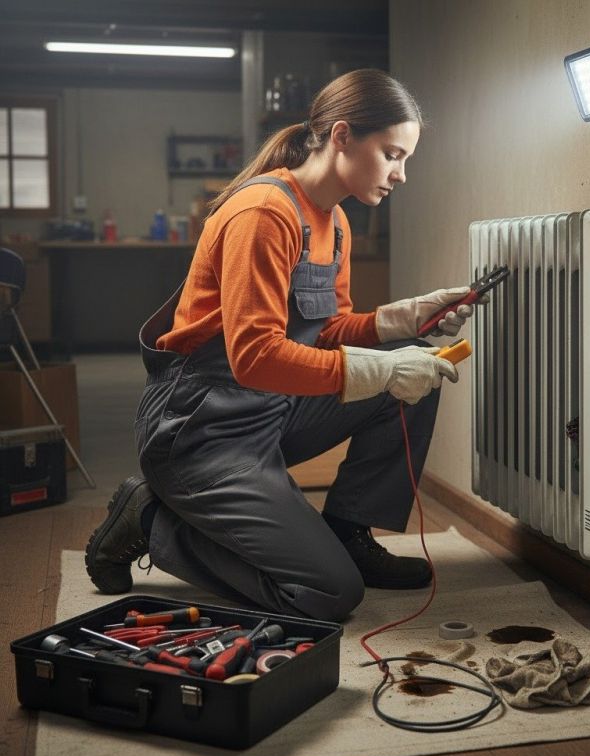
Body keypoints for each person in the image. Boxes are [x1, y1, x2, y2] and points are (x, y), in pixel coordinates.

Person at [84, 69, 486, 623]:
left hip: (272, 413)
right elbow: (254, 358)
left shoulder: (335, 222)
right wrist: (383, 370)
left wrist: (402, 319)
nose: (401, 174)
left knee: (418, 363)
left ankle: (347, 534)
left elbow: (328, 331)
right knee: (328, 594)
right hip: (201, 432)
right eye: (392, 155)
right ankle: (151, 519)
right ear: (342, 136)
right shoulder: (264, 213)